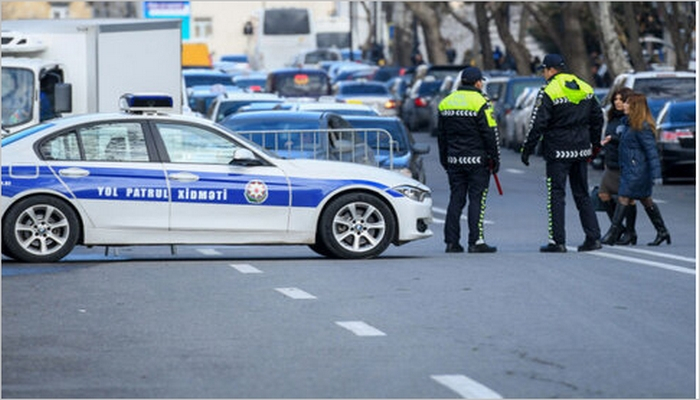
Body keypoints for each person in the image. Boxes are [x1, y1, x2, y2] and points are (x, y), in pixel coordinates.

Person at [520, 54, 604, 253]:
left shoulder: (549, 90)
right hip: (581, 149)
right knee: (582, 193)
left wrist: (527, 150)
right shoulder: (584, 87)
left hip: (558, 150)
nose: (543, 74)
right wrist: (595, 144)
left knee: (556, 194)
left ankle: (557, 241)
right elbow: (598, 118)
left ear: (550, 70)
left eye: (544, 70)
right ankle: (593, 238)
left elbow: (537, 123)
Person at [437, 67, 500, 253]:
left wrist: (445, 160)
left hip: (454, 160)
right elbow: (490, 133)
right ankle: (476, 241)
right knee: (476, 200)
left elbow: (441, 136)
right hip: (476, 160)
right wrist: (495, 159)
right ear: (478, 83)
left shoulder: (446, 102)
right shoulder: (481, 102)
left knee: (456, 199)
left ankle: (451, 242)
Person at [601, 92, 670, 246]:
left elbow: (651, 151)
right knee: (645, 200)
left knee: (624, 197)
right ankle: (662, 231)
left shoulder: (642, 127)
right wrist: (613, 139)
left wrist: (656, 174)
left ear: (635, 107)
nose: (624, 105)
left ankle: (613, 233)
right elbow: (630, 143)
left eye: (627, 103)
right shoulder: (629, 124)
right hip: (630, 168)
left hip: (638, 170)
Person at [598, 87, 636, 245]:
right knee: (603, 194)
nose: (618, 103)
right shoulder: (612, 117)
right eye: (616, 100)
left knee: (628, 199)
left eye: (621, 99)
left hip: (626, 164)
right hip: (611, 163)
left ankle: (630, 232)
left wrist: (613, 139)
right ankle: (618, 227)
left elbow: (631, 141)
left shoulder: (631, 119)